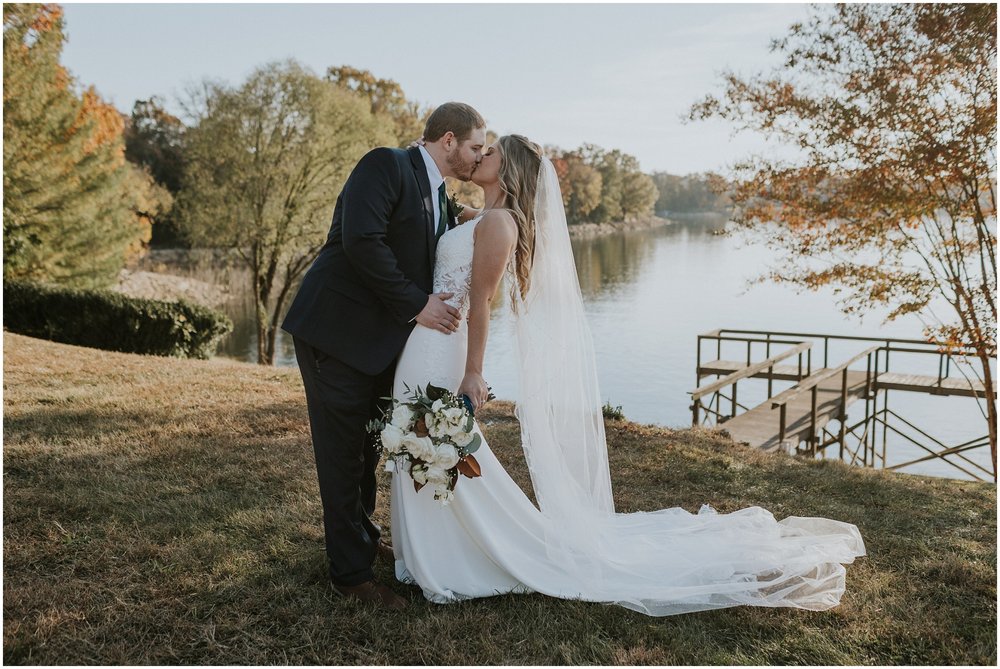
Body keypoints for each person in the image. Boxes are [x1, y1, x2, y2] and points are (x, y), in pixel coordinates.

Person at [388, 134, 866, 615]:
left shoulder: (498, 223)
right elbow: (463, 237)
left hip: (445, 347)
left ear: (508, 168)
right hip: (429, 341)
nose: (480, 154)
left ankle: (452, 555)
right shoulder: (485, 218)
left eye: (490, 151)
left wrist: (474, 372)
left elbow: (481, 306)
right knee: (428, 442)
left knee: (437, 444)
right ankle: (432, 548)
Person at [281, 102, 487, 610]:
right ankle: (350, 579)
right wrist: (418, 306)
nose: (479, 156)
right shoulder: (386, 165)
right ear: (446, 140)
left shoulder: (440, 195)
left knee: (368, 449)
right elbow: (362, 241)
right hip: (337, 333)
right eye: (475, 147)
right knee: (342, 455)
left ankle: (363, 543)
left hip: (377, 346)